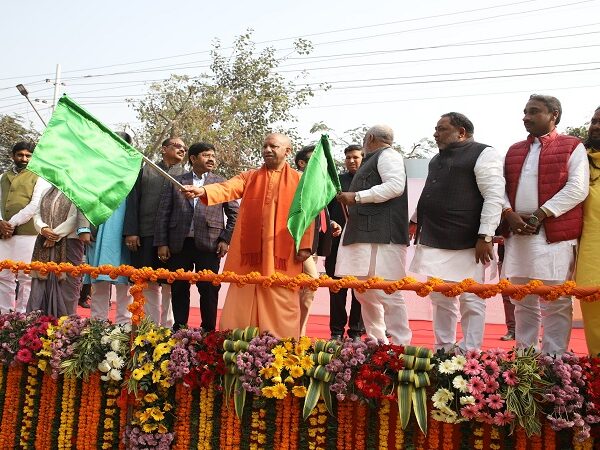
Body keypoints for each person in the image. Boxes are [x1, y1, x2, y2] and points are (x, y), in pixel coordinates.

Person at [182, 133, 313, 339]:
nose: (267, 150)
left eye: (273, 146)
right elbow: (227, 188)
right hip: (250, 253)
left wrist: (305, 244)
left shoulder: (300, 181)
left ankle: (281, 343)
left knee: (281, 295)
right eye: (265, 146)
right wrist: (202, 191)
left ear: (287, 151)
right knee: (243, 294)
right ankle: (238, 341)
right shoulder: (250, 177)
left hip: (282, 253)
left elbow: (307, 215)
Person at [410, 112, 505, 352]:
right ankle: (444, 347)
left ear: (461, 132)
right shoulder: (435, 159)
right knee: (440, 297)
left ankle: (471, 350)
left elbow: (494, 197)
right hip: (434, 238)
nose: (435, 133)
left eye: (441, 129)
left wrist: (485, 236)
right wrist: (414, 221)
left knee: (471, 299)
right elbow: (430, 193)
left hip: (468, 241)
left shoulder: (484, 153)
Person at [503, 94, 588, 355]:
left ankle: (554, 360)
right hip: (518, 233)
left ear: (554, 116)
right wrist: (509, 214)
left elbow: (578, 188)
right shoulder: (514, 149)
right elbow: (500, 188)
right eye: (525, 111)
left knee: (557, 301)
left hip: (554, 235)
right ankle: (524, 358)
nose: (526, 117)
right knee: (521, 300)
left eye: (534, 111)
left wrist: (540, 214)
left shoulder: (572, 146)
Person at [335, 125, 411, 345]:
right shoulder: (373, 158)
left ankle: (400, 344)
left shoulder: (388, 155)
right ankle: (377, 341)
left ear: (369, 138)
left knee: (389, 290)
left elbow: (395, 186)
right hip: (363, 234)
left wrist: (357, 197)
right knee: (363, 291)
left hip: (383, 235)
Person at [154, 142, 238, 331]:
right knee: (178, 287)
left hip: (210, 244)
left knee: (208, 288)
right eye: (206, 155)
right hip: (179, 243)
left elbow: (235, 214)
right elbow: (163, 213)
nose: (211, 159)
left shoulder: (220, 182)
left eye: (213, 156)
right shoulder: (176, 180)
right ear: (193, 159)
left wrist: (225, 239)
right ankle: (180, 329)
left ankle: (208, 331)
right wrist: (162, 243)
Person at [124, 137, 186, 327]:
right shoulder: (145, 171)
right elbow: (133, 202)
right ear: (164, 149)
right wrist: (132, 231)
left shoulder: (185, 175)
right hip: (146, 234)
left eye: (184, 147)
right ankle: (149, 326)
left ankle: (167, 327)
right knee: (147, 281)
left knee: (169, 282)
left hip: (172, 238)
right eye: (177, 146)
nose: (182, 150)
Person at [85, 131, 136, 324]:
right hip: (99, 232)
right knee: (99, 280)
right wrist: (84, 229)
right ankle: (97, 326)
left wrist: (134, 232)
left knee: (124, 282)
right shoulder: (96, 171)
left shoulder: (134, 170)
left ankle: (123, 328)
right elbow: (84, 200)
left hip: (126, 233)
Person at [293, 145, 340, 336]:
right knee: (312, 282)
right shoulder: (295, 182)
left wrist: (330, 224)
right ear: (302, 163)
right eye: (315, 160)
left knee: (307, 292)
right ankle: (296, 333)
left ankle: (299, 334)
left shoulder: (319, 186)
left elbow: (315, 214)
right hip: (297, 246)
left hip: (313, 247)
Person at [0, 141, 51, 313]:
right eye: (20, 155)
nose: (24, 158)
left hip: (27, 234)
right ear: (12, 156)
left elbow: (35, 205)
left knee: (25, 276)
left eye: (28, 155)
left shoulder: (39, 177)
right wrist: (1, 222)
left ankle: (23, 317)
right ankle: (5, 316)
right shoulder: (2, 177)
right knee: (3, 275)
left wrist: (11, 224)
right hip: (3, 234)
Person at [26, 187, 89, 316]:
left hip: (70, 242)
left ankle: (65, 328)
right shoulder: (46, 191)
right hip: (43, 241)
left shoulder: (78, 191)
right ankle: (39, 325)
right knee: (41, 282)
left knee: (68, 285)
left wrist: (55, 235)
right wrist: (43, 229)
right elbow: (37, 214)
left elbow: (75, 218)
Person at [326, 144, 365, 341]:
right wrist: (331, 222)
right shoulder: (336, 182)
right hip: (336, 244)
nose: (351, 160)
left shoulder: (370, 181)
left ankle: (357, 331)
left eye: (355, 157)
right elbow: (325, 209)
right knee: (337, 289)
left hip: (361, 245)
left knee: (360, 290)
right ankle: (336, 331)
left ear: (363, 158)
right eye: (348, 157)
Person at [574, 106, 600, 355]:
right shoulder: (580, 160)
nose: (596, 126)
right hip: (592, 257)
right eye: (594, 121)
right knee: (595, 321)